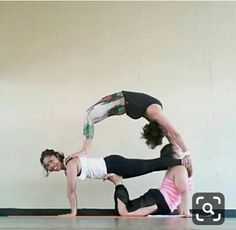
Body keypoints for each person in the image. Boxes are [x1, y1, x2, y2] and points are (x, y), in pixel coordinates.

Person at [40, 149, 190, 217]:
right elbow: (84, 154)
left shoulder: (71, 165)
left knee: (148, 166)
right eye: (47, 165)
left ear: (58, 156)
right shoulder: (69, 165)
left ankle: (180, 161)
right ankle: (178, 162)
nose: (51, 166)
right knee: (148, 166)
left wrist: (73, 212)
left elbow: (71, 191)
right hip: (112, 164)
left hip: (114, 164)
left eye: (51, 161)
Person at [71, 91, 189, 157]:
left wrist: (178, 151)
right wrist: (187, 152)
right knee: (88, 115)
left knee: (90, 118)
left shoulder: (155, 118)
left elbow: (169, 134)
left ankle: (84, 150)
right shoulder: (155, 114)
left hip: (117, 104)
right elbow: (175, 133)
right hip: (118, 100)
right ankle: (85, 150)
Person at [105, 144, 193, 217]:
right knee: (125, 211)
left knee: (127, 209)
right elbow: (183, 190)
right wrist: (185, 212)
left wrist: (182, 212)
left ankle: (119, 183)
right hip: (158, 200)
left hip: (163, 204)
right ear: (174, 155)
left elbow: (178, 195)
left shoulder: (179, 168)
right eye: (180, 150)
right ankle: (118, 182)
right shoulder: (179, 168)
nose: (183, 152)